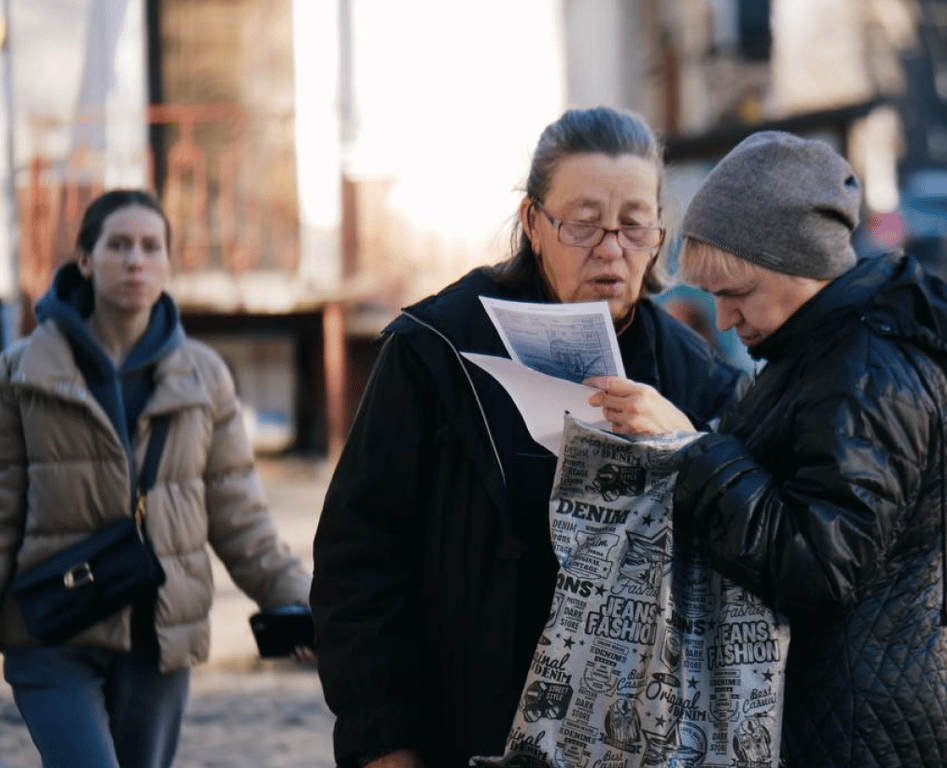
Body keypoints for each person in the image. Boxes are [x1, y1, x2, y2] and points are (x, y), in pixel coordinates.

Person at [309, 106, 746, 768]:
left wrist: (689, 446)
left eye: (634, 224)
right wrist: (384, 740)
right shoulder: (436, 349)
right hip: (465, 727)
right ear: (533, 223)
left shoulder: (695, 375)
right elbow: (359, 558)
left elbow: (741, 561)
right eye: (582, 223)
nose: (610, 248)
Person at [660, 131, 947, 766]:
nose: (725, 317)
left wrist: (693, 452)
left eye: (736, 293)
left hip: (865, 732)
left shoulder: (863, 372)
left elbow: (820, 566)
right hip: (856, 716)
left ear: (797, 264)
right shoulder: (821, 354)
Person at [0, 189, 312, 768]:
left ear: (168, 262)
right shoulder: (21, 371)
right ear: (86, 261)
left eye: (151, 246)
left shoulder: (204, 377)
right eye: (118, 245)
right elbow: (2, 506)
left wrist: (297, 601)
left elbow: (238, 514)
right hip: (52, 631)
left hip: (158, 630)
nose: (136, 260)